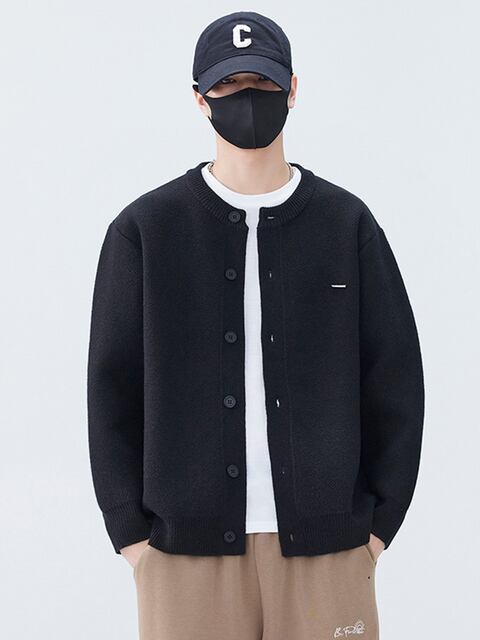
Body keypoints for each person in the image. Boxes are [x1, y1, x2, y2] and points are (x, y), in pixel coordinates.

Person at [87, 10, 425, 640]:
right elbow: (112, 390)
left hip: (330, 552)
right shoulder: (145, 231)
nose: (248, 99)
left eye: (264, 84)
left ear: (293, 89)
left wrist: (377, 529)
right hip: (183, 559)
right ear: (199, 99)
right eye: (228, 86)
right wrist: (132, 536)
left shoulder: (346, 225)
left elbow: (396, 378)